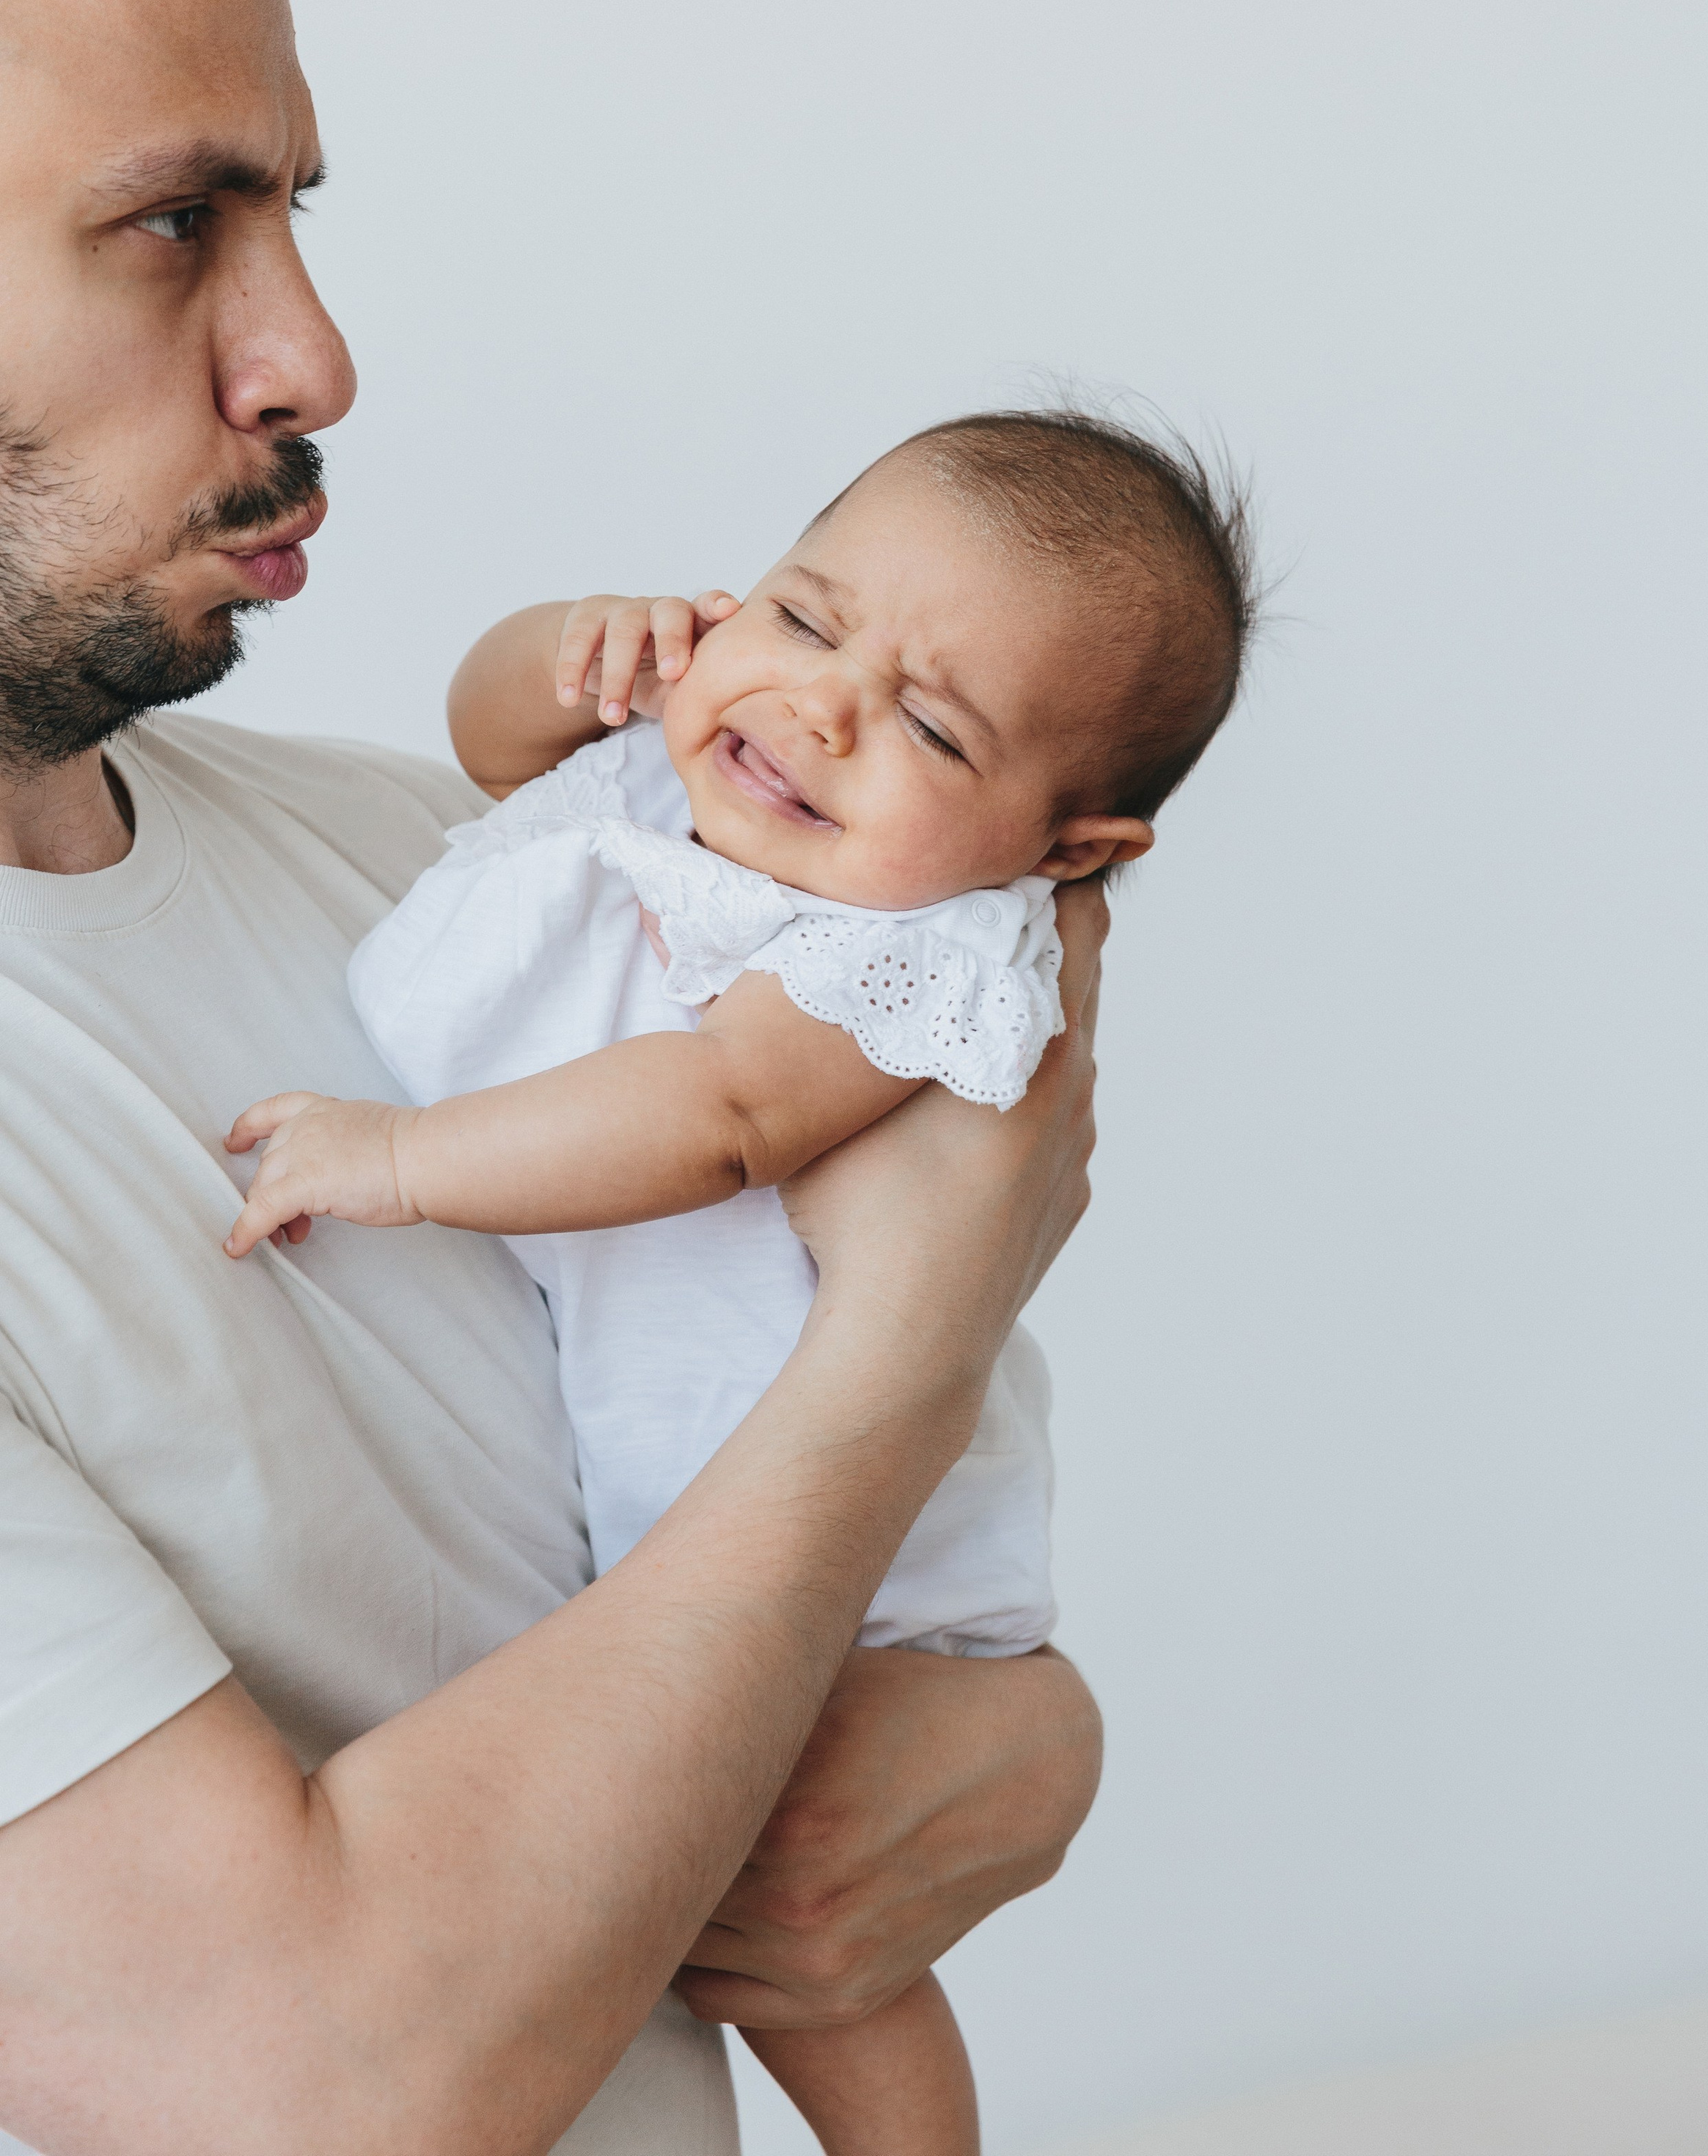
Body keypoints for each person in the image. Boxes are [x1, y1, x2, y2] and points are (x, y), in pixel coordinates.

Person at [0, 0, 1104, 2156]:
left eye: (292, 208)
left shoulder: (468, 892)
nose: (314, 358)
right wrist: (914, 1339)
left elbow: (856, 1678)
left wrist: (1022, 1734)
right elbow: (298, 2090)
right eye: (177, 222)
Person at [219, 411, 1254, 2150]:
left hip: (850, 1565)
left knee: (819, 1967)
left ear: (1065, 850)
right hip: (687, 1508)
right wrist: (565, 656)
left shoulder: (923, 946)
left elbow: (716, 1119)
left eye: (929, 724)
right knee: (739, 1937)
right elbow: (486, 746)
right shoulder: (694, 785)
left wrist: (397, 1160)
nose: (822, 706)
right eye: (801, 614)